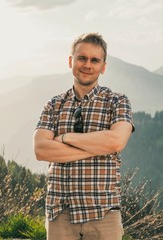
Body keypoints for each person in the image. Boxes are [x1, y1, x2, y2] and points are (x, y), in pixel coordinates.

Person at [33, 32, 135, 240]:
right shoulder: (54, 104)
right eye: (82, 58)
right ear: (71, 61)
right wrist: (96, 148)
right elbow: (41, 149)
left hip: (104, 214)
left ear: (103, 67)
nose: (87, 65)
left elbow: (115, 142)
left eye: (95, 60)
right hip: (60, 213)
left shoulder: (117, 101)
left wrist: (65, 138)